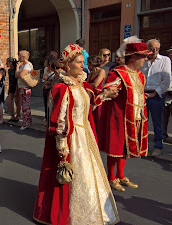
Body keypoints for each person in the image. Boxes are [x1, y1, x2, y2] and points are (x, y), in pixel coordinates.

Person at [33, 44, 119, 225]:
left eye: (83, 62)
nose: (83, 66)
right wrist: (62, 146)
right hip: (72, 138)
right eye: (79, 62)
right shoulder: (62, 89)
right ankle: (70, 213)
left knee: (88, 174)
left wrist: (106, 93)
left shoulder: (82, 84)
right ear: (68, 65)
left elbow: (92, 102)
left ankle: (91, 211)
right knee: (72, 176)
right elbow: (59, 120)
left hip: (85, 134)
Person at [99, 41, 151, 192]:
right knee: (115, 146)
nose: (145, 60)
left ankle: (121, 176)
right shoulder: (118, 73)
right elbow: (108, 90)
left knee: (125, 147)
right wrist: (111, 90)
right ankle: (111, 177)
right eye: (143, 56)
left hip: (135, 116)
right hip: (118, 116)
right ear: (134, 57)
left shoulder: (140, 75)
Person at [139, 39, 171, 156]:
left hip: (156, 95)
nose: (155, 51)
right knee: (142, 121)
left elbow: (166, 81)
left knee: (157, 122)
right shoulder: (143, 60)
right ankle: (142, 146)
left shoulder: (164, 60)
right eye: (152, 48)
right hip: (143, 94)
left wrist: (154, 93)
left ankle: (158, 146)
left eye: (157, 48)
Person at [87, 55, 106, 131]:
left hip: (99, 99)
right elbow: (87, 84)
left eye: (88, 63)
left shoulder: (102, 71)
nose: (87, 65)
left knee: (98, 119)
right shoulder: (91, 73)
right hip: (91, 98)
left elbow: (95, 84)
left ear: (92, 64)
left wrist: (86, 85)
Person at [16, 50, 33, 130]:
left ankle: (26, 122)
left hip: (25, 88)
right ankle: (28, 121)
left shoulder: (27, 65)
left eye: (19, 56)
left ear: (23, 57)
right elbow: (17, 75)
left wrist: (18, 69)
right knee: (24, 105)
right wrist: (18, 68)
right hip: (22, 87)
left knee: (25, 106)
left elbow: (21, 75)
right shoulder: (23, 65)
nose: (18, 58)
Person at [5, 58, 20, 122]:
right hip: (11, 87)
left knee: (17, 102)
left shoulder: (15, 70)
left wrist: (17, 89)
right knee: (8, 102)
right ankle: (12, 116)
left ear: (10, 63)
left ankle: (17, 116)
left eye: (7, 62)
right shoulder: (9, 70)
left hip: (16, 86)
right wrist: (9, 88)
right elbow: (10, 80)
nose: (6, 64)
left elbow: (17, 80)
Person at [42, 55, 55, 121]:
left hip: (51, 89)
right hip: (45, 88)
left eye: (46, 61)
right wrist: (44, 82)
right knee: (45, 102)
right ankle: (46, 116)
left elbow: (54, 82)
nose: (44, 62)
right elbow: (44, 79)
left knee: (50, 104)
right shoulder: (45, 69)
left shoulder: (54, 71)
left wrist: (47, 81)